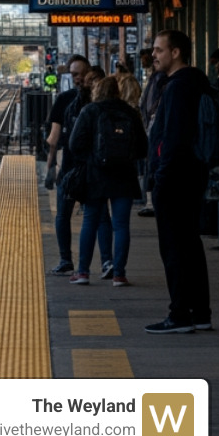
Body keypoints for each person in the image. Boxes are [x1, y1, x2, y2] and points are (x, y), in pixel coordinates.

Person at [145, 29, 214, 333]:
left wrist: (160, 177)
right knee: (191, 246)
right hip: (194, 173)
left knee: (173, 248)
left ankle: (179, 314)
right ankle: (200, 312)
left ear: (175, 53)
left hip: (174, 178)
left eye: (159, 50)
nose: (154, 55)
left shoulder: (176, 88)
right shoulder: (200, 82)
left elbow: (172, 138)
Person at [66, 76, 147, 287]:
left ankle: (83, 272)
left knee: (90, 222)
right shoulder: (130, 112)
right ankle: (119, 274)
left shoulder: (90, 111)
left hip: (96, 176)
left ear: (97, 91)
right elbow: (143, 148)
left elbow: (75, 144)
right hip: (125, 176)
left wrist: (93, 159)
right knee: (121, 225)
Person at [44, 54, 89, 274]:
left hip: (78, 169)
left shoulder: (64, 99)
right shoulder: (97, 98)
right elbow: (53, 140)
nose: (77, 78)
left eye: (79, 74)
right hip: (81, 168)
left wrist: (50, 169)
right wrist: (51, 168)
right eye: (74, 75)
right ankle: (108, 263)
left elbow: (53, 139)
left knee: (64, 215)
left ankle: (66, 260)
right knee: (96, 217)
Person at [138, 47, 166, 217]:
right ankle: (150, 201)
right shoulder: (155, 77)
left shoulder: (161, 79)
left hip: (155, 128)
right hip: (151, 126)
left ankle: (152, 202)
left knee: (153, 164)